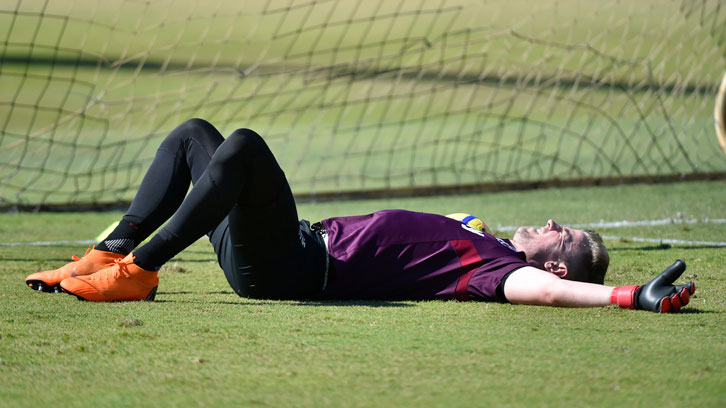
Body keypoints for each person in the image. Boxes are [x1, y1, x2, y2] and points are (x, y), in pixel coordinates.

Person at [25, 119, 695, 313]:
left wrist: (629, 295)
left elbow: (544, 290)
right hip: (281, 249)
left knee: (248, 148)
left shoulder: (496, 269)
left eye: (566, 235)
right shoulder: (479, 234)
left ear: (555, 257)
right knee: (195, 135)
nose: (554, 223)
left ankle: (138, 270)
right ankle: (105, 255)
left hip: (292, 268)